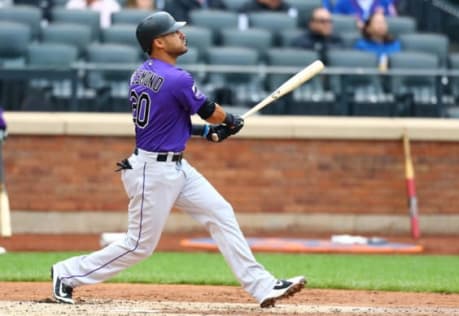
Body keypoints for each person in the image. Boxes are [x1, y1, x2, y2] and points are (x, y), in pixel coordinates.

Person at [50, 11, 306, 309]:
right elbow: (210, 110)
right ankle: (66, 274)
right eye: (173, 32)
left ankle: (262, 286)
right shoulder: (176, 77)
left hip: (174, 166)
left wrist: (208, 131)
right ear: (158, 42)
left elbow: (168, 120)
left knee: (221, 212)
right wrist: (229, 121)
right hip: (153, 171)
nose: (181, 35)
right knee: (139, 245)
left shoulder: (141, 73)